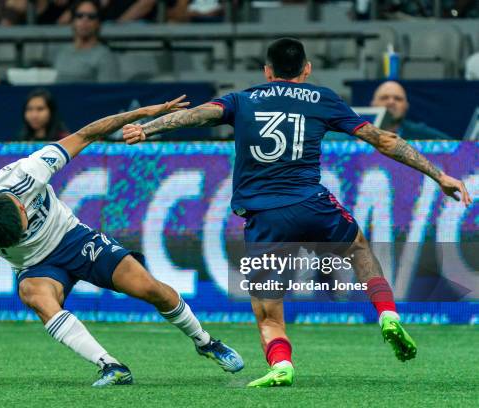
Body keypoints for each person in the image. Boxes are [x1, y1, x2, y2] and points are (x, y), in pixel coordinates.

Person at [123, 38, 471, 387]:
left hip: (264, 218)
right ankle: (387, 314)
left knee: (268, 313)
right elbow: (384, 140)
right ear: (307, 69)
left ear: (267, 70)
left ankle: (281, 364)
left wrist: (146, 128)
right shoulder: (323, 98)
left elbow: (197, 116)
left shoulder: (241, 100)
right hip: (312, 204)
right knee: (358, 247)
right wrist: (439, 175)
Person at [0, 95, 244, 386]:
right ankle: (111, 365)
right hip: (36, 266)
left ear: (19, 204)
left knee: (149, 288)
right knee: (32, 294)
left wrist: (143, 114)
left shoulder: (30, 172)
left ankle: (205, 342)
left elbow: (88, 132)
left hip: (74, 239)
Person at [53, 0, 120, 83]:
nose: (85, 20)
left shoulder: (105, 56)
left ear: (98, 23)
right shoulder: (62, 52)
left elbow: (109, 93)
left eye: (91, 16)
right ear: (72, 22)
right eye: (79, 16)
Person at [370, 81, 451, 140]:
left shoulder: (424, 136)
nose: (391, 102)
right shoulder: (359, 135)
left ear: (406, 106)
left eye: (398, 99)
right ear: (372, 104)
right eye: (384, 98)